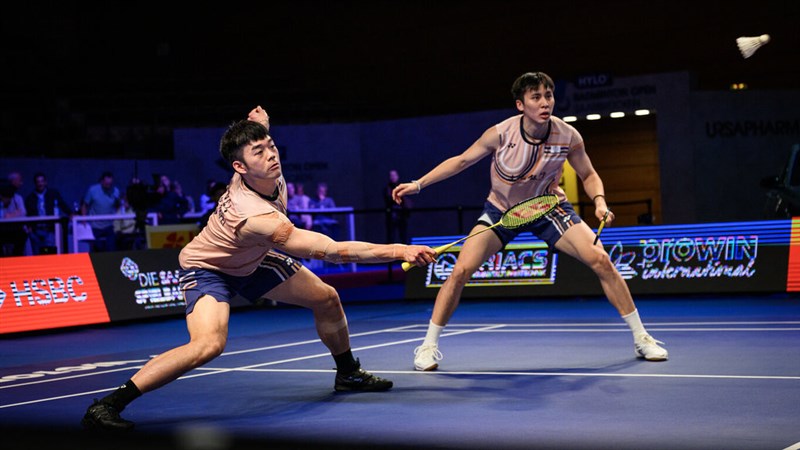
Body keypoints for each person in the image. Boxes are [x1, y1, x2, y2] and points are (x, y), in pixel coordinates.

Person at [81, 105, 436, 431]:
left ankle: (348, 374)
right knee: (208, 344)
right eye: (259, 152)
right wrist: (400, 249)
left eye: (272, 147)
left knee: (326, 298)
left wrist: (261, 126)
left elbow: (258, 137)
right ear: (239, 167)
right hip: (209, 267)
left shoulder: (263, 172)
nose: (271, 155)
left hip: (251, 258)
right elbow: (333, 251)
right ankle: (108, 404)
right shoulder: (254, 215)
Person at [392, 72, 668, 372]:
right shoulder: (500, 134)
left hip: (547, 206)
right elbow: (461, 161)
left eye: (548, 96)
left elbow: (588, 174)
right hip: (502, 212)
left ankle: (641, 337)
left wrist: (600, 201)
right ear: (520, 105)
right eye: (536, 97)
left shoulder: (568, 135)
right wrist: (418, 184)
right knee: (460, 270)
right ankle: (428, 346)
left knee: (600, 259)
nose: (545, 103)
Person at [24, 172, 68, 255]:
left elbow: (62, 204)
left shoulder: (53, 194)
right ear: (35, 184)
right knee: (37, 254)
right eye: (38, 182)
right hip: (35, 230)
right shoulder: (30, 198)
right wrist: (29, 227)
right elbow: (27, 213)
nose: (40, 184)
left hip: (49, 229)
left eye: (42, 181)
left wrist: (71, 213)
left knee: (50, 253)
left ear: (45, 182)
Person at [82, 171, 121, 252]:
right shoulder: (93, 190)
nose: (108, 186)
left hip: (110, 226)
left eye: (110, 184)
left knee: (111, 249)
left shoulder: (115, 191)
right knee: (97, 250)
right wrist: (84, 220)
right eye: (106, 184)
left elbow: (118, 206)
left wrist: (116, 219)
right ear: (102, 181)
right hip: (95, 227)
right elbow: (85, 205)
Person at [383, 169, 411, 243]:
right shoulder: (387, 188)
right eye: (391, 176)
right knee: (391, 236)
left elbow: (404, 200)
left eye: (394, 175)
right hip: (392, 215)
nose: (393, 177)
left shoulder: (402, 187)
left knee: (404, 235)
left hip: (402, 215)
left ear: (397, 176)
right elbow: (389, 199)